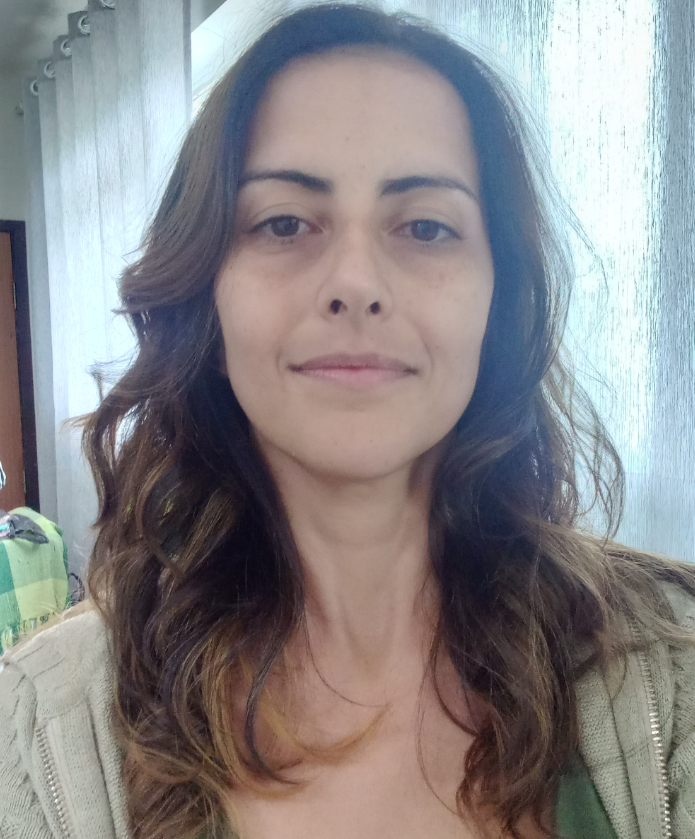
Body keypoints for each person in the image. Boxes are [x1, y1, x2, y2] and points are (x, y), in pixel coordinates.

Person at [1, 4, 694, 839]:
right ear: (206, 303)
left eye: (426, 226)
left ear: (496, 300)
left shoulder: (671, 668)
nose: (356, 283)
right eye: (283, 223)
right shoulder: (41, 730)